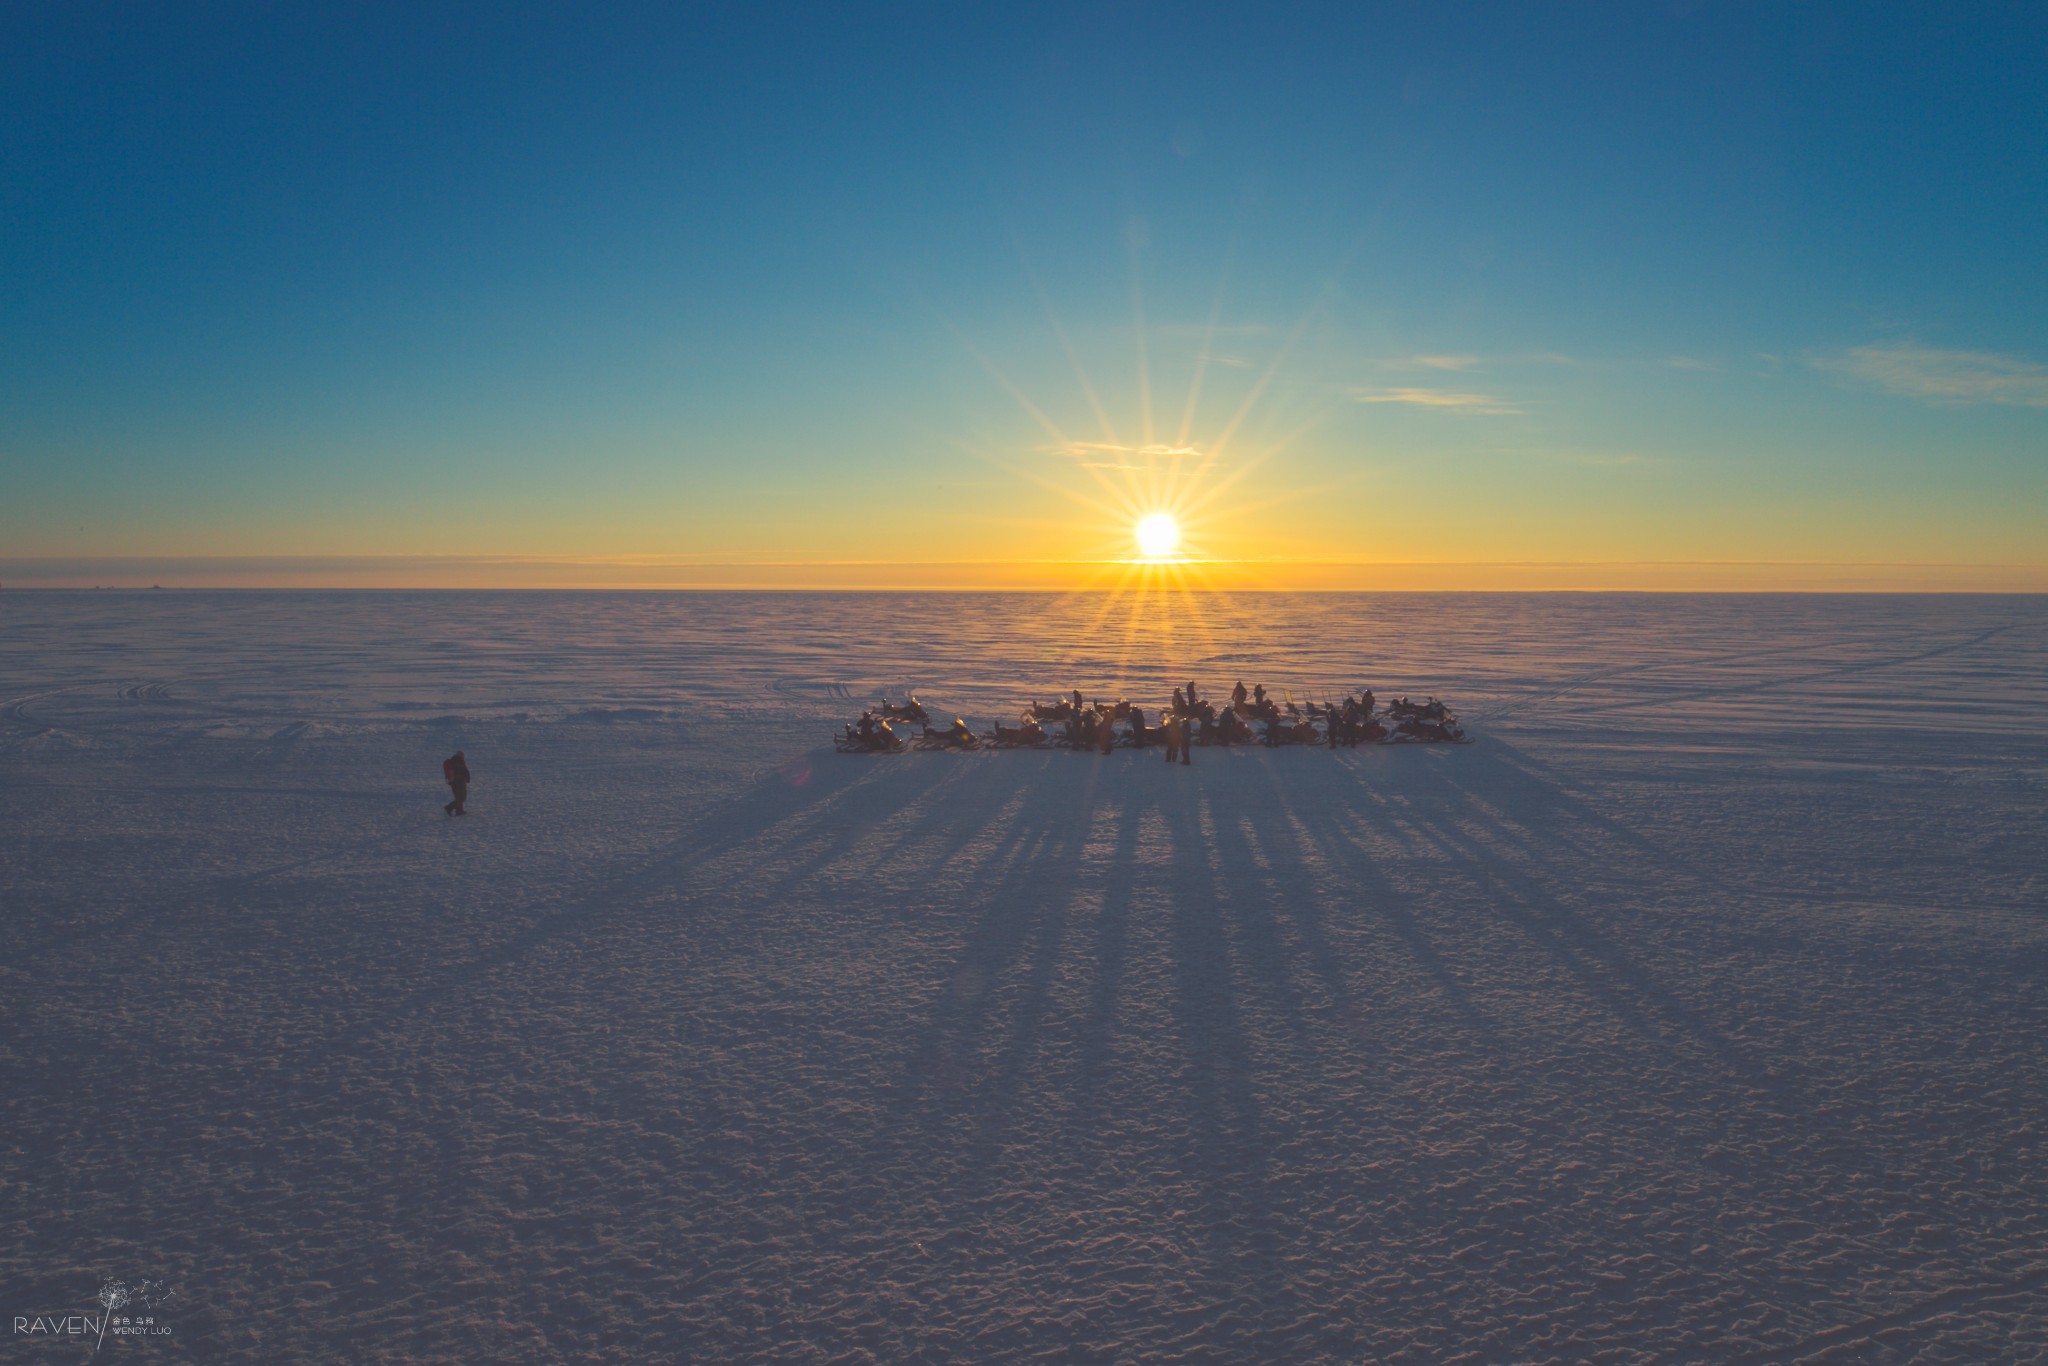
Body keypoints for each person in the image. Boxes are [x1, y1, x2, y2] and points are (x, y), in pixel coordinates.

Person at [442, 750, 470, 816]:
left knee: (459, 797)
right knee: (462, 797)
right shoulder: (459, 761)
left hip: (455, 782)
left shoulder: (453, 761)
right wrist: (467, 779)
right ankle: (449, 808)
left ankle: (459, 811)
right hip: (459, 782)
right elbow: (464, 771)